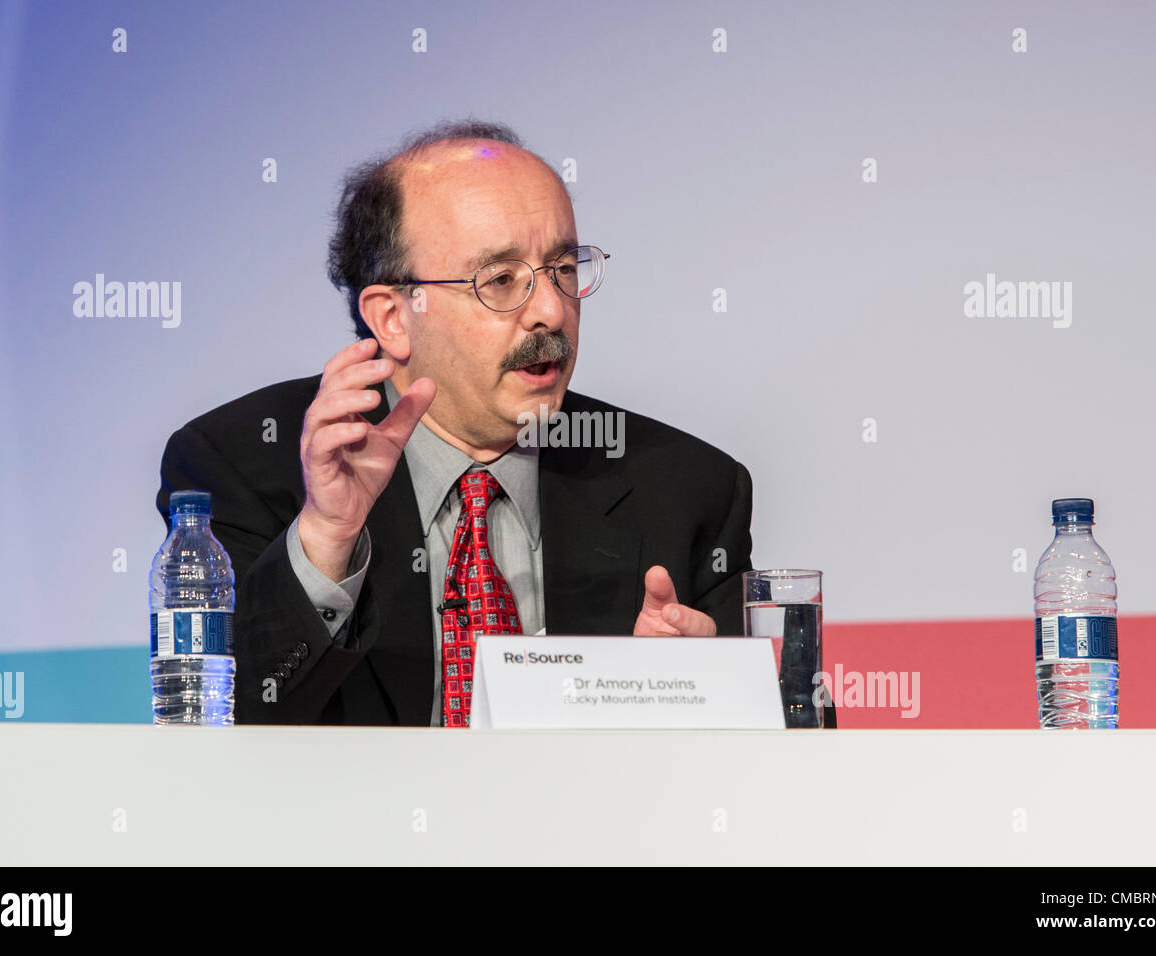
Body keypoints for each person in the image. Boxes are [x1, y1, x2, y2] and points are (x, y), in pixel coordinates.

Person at [156, 119, 755, 726]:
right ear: (392, 316)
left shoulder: (686, 488)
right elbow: (219, 724)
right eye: (500, 280)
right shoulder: (241, 465)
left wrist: (707, 699)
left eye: (564, 269)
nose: (551, 311)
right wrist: (326, 539)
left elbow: (797, 760)